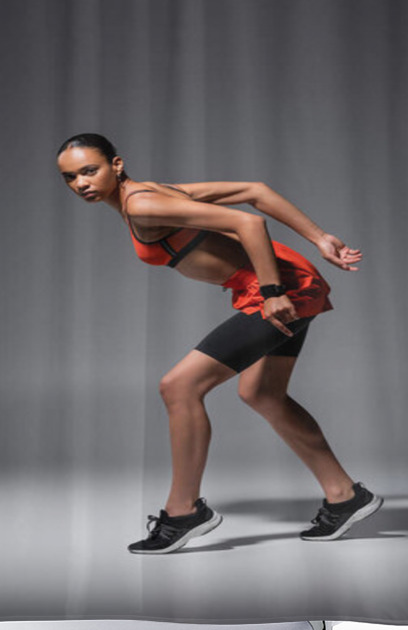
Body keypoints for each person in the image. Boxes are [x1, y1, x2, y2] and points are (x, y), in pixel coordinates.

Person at [56, 133, 383, 554]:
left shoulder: (141, 203)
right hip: (290, 283)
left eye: (89, 170)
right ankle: (345, 496)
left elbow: (248, 221)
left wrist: (270, 292)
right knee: (263, 393)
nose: (81, 183)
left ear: (115, 165)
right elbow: (254, 191)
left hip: (281, 291)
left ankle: (183, 512)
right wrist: (319, 238)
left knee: (179, 387)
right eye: (70, 177)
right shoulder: (149, 194)